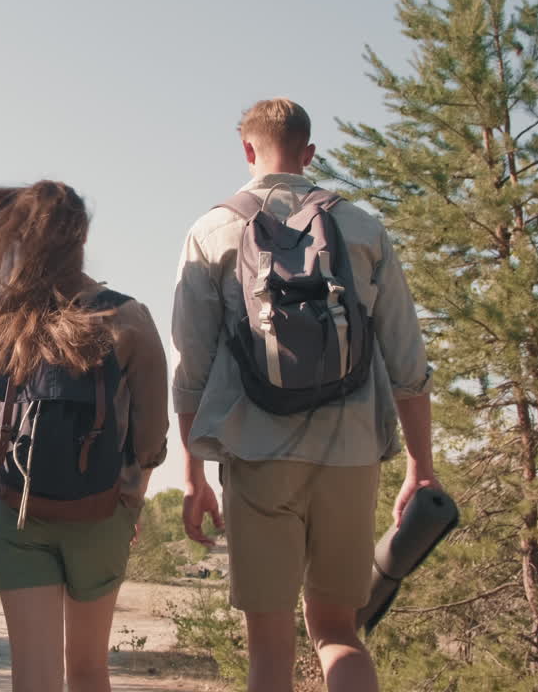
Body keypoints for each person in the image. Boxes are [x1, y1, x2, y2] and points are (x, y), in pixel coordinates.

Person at [172, 97, 441, 692]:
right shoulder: (364, 227)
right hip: (350, 455)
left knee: (270, 648)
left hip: (256, 451)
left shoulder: (212, 230)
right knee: (339, 632)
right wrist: (420, 465)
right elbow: (407, 361)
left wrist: (193, 475)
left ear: (248, 150)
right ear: (309, 153)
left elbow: (191, 368)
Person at [0, 181, 168, 692]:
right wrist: (130, 503)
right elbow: (150, 438)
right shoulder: (128, 317)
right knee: (88, 668)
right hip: (99, 513)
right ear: (81, 238)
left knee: (32, 676)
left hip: (16, 512)